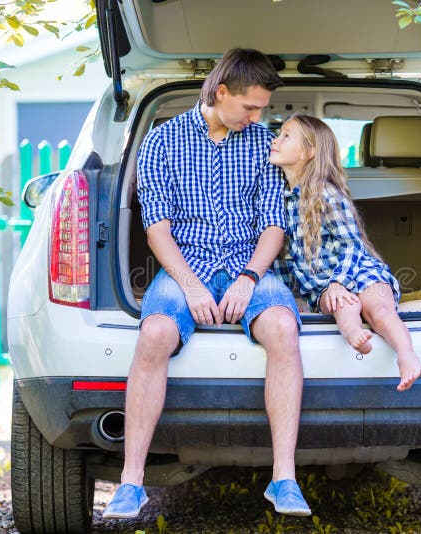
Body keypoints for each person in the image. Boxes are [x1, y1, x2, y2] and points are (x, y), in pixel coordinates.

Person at [103, 49, 311, 519]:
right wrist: (192, 286)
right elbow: (156, 228)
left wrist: (248, 277)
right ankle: (131, 484)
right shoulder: (161, 142)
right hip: (184, 267)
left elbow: (273, 225)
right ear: (221, 93)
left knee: (282, 326)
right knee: (154, 334)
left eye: (262, 109)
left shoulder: (262, 144)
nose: (259, 118)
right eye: (250, 107)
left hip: (246, 264)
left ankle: (284, 480)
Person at [269, 113, 421, 392]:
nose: (276, 140)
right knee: (343, 308)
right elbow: (282, 259)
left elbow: (352, 244)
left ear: (308, 152)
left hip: (358, 270)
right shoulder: (277, 200)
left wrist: (339, 282)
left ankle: (406, 354)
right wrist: (295, 296)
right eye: (279, 134)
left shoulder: (326, 195)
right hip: (322, 289)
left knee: (380, 309)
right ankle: (355, 335)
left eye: (285, 136)